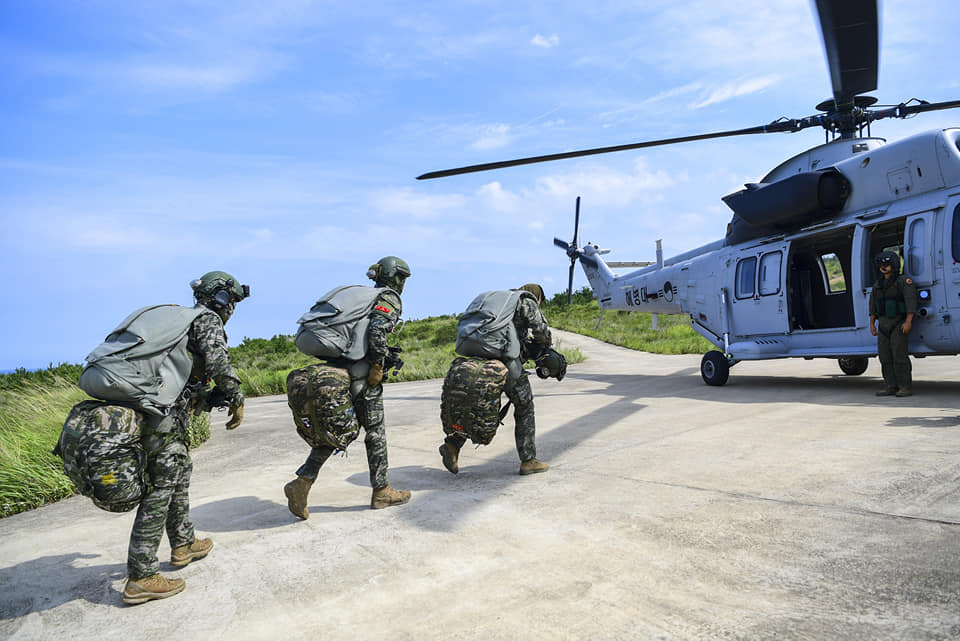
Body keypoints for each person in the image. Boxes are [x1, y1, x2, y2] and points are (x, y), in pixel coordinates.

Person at [121, 271, 249, 604]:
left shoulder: (182, 320)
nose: (232, 307)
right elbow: (219, 364)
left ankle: (183, 544)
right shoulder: (206, 320)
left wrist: (203, 398)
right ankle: (141, 576)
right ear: (221, 299)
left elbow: (190, 375)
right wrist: (236, 397)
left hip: (163, 412)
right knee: (161, 486)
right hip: (160, 416)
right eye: (232, 300)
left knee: (177, 474)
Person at [284, 256, 412, 519]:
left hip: (338, 368)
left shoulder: (356, 296)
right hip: (361, 374)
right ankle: (382, 491)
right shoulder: (388, 297)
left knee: (338, 429)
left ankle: (303, 482)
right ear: (397, 277)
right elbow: (378, 330)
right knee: (375, 431)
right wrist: (377, 365)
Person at [439, 283, 553, 476]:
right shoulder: (527, 300)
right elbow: (541, 330)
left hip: (475, 354)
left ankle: (452, 445)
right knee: (524, 404)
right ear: (538, 298)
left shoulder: (500, 303)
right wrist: (544, 346)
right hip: (504, 359)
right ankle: (528, 460)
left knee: (476, 401)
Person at [869, 251, 918, 397]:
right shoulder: (878, 285)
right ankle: (890, 385)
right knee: (884, 356)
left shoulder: (903, 281)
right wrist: (872, 324)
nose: (883, 267)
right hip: (883, 325)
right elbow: (873, 306)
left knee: (899, 355)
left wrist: (908, 321)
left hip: (898, 323)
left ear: (894, 265)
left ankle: (905, 386)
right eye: (881, 265)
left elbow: (910, 302)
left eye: (887, 264)